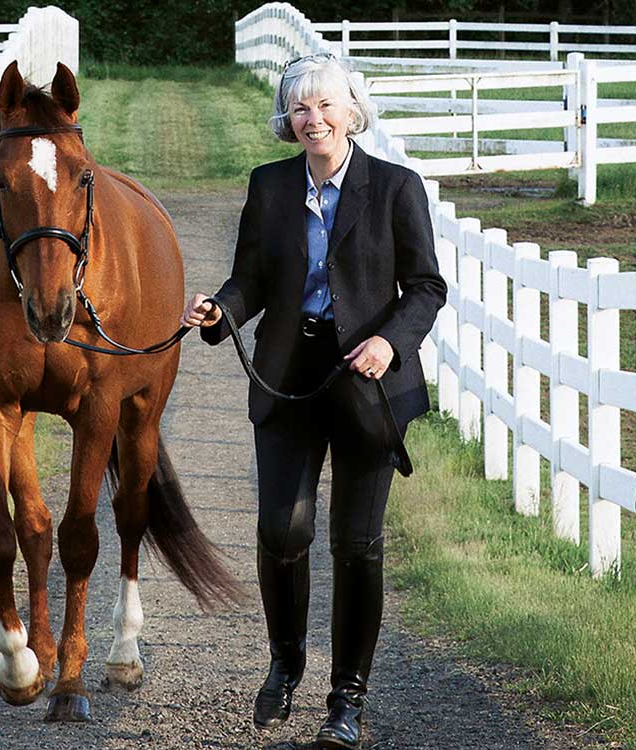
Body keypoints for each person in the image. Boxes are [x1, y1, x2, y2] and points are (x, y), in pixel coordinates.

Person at [180, 53, 446, 749]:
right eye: (299, 108)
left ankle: (345, 701)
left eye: (325, 106)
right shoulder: (268, 186)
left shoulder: (393, 187)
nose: (313, 119)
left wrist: (389, 342)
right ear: (286, 119)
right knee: (281, 532)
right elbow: (250, 280)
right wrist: (220, 311)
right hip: (288, 379)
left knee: (357, 546)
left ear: (350, 112)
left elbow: (425, 288)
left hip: (366, 386)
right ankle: (286, 661)